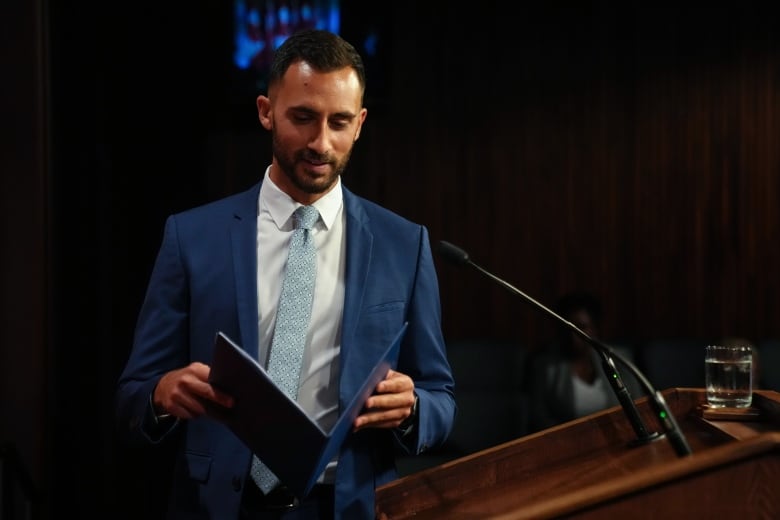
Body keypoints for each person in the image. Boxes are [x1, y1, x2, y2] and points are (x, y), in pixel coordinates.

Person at [115, 29, 456, 520]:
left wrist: (415, 409)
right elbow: (131, 400)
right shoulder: (190, 238)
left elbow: (441, 400)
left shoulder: (405, 245)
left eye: (339, 122)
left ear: (359, 124)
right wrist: (161, 395)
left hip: (349, 506)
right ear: (265, 111)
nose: (321, 142)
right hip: (219, 507)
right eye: (303, 117)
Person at [524, 290, 643, 433]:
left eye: (581, 327)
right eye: (568, 328)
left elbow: (639, 406)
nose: (574, 336)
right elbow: (539, 419)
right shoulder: (544, 367)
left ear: (594, 329)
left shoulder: (618, 358)